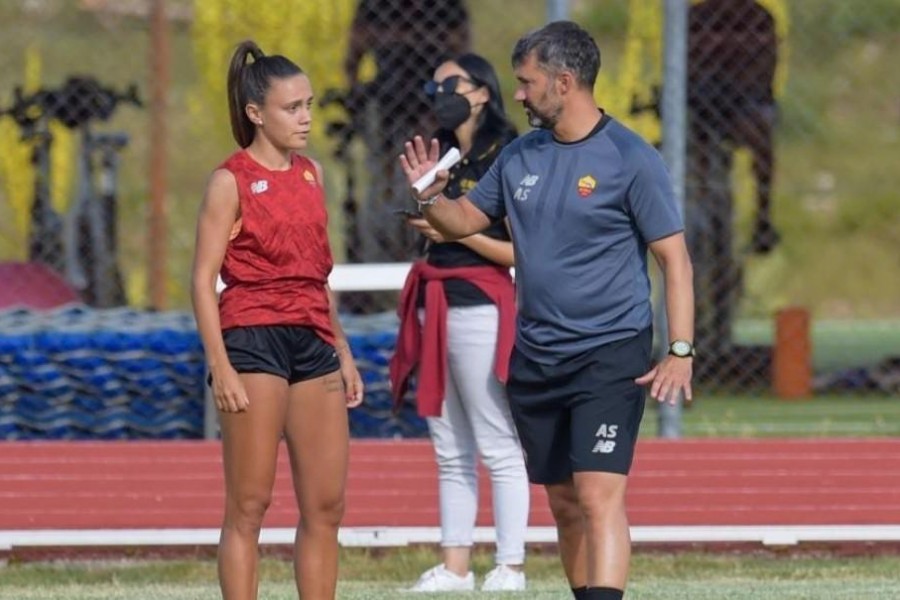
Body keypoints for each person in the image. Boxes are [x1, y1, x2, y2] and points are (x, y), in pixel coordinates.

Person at [399, 21, 695, 600]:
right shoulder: (519, 156)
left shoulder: (630, 157)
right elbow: (462, 223)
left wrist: (680, 350)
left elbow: (675, 261)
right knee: (562, 502)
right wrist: (430, 194)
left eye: (527, 81)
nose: (519, 94)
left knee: (597, 495)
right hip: (537, 353)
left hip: (610, 351)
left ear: (564, 82)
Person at [190, 40, 364, 600]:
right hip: (252, 339)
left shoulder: (312, 174)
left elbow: (317, 272)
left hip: (313, 342)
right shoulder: (229, 180)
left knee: (326, 505)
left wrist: (342, 349)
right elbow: (201, 280)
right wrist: (222, 366)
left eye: (309, 104)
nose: (307, 117)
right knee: (249, 504)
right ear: (256, 113)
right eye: (294, 108)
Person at [389, 53, 529, 593]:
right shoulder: (443, 152)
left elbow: (517, 249)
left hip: (478, 302)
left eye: (454, 83)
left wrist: (456, 229)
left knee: (496, 440)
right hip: (434, 298)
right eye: (435, 83)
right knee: (449, 446)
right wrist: (429, 203)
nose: (441, 91)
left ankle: (509, 565)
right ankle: (454, 566)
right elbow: (435, 226)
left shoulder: (510, 154)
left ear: (484, 92)